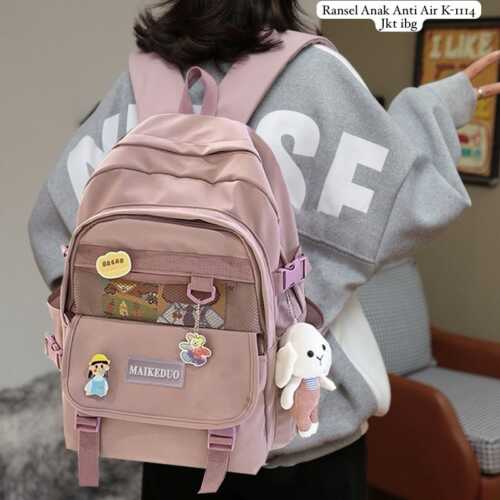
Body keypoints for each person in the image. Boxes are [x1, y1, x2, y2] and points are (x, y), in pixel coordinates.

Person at [28, 1, 500, 499]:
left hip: (169, 419)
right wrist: (432, 111)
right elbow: (404, 199)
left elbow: (56, 228)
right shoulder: (315, 73)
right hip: (304, 428)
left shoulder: (138, 84)